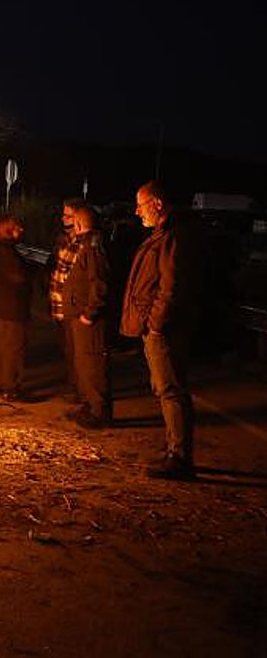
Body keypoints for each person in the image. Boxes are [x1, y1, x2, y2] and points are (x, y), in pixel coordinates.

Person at [120, 181, 197, 480]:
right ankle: (174, 452)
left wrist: (154, 325)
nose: (137, 210)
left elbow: (170, 287)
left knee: (170, 389)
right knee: (165, 388)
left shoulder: (173, 237)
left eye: (141, 204)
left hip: (164, 330)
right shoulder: (162, 235)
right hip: (158, 327)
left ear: (158, 204)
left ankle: (180, 458)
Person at [62, 205, 112, 427]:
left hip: (88, 318)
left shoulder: (93, 248)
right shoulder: (85, 245)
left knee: (92, 364)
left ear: (79, 224)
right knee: (83, 363)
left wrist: (90, 313)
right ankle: (89, 405)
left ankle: (100, 411)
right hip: (79, 315)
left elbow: (99, 283)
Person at [0, 212, 32, 400]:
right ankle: (11, 387)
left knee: (2, 346)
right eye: (16, 227)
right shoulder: (7, 252)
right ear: (7, 231)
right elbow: (18, 277)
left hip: (1, 305)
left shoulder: (0, 248)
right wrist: (31, 271)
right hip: (13, 306)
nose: (21, 230)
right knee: (13, 347)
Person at [49, 197, 87, 400]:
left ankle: (81, 389)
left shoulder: (84, 243)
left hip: (72, 306)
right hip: (60, 304)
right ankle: (74, 384)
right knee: (68, 349)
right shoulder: (64, 239)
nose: (64, 219)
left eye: (68, 215)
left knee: (77, 351)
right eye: (63, 215)